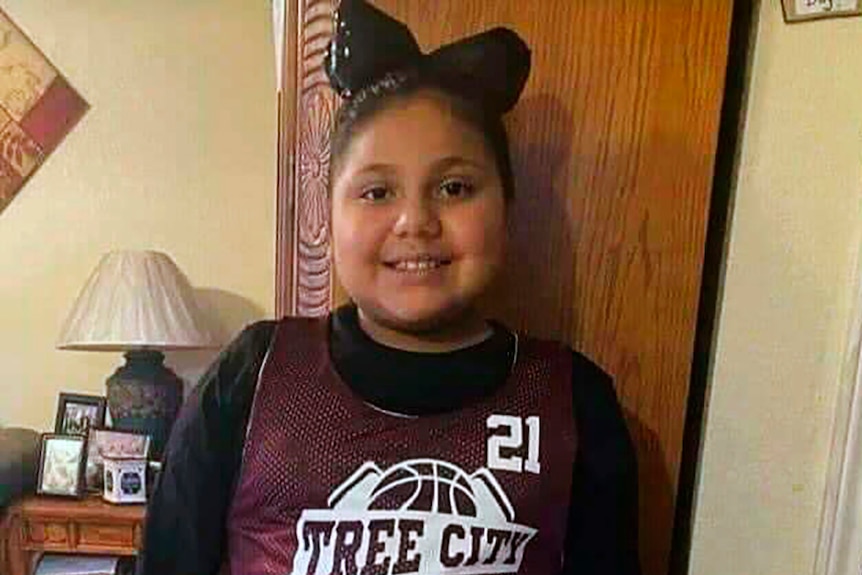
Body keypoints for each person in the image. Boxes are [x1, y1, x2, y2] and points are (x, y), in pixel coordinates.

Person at [139, 1, 640, 574]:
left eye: (454, 187)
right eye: (377, 193)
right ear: (327, 217)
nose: (415, 222)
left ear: (507, 208)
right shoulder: (253, 376)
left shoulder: (573, 401)